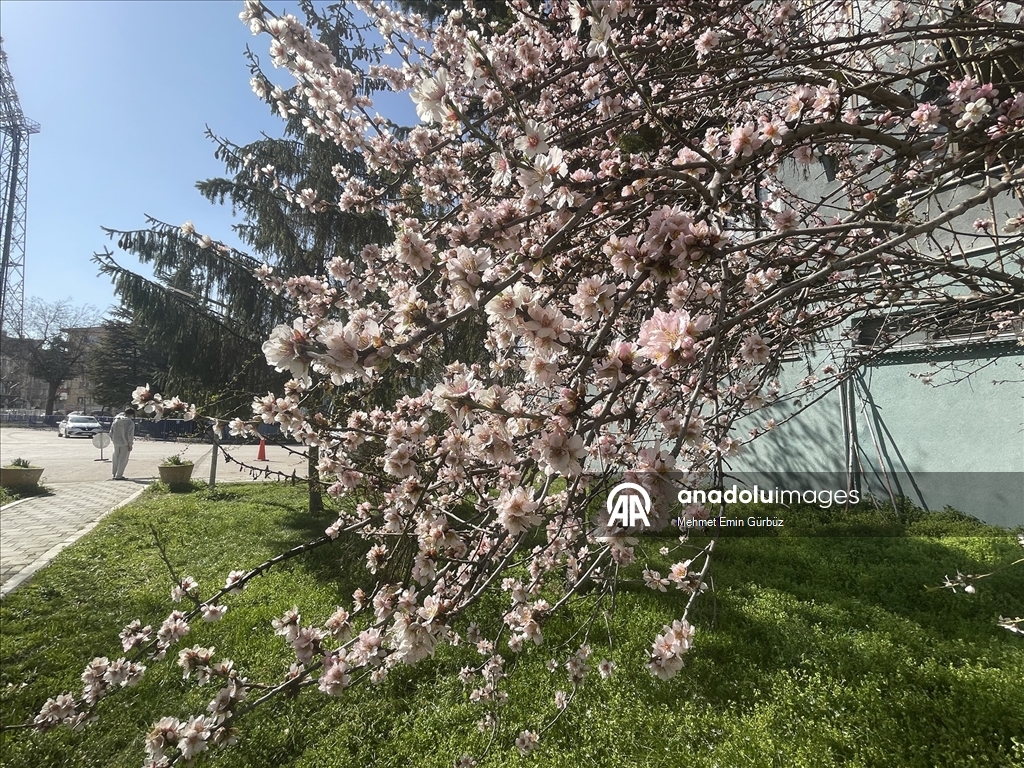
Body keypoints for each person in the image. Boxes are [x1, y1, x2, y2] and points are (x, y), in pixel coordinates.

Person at [109, 407, 136, 480]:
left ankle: (114, 473)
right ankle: (119, 475)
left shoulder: (116, 420)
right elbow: (130, 434)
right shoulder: (130, 422)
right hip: (125, 443)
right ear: (132, 414)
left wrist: (113, 439)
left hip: (116, 442)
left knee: (115, 457)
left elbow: (111, 431)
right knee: (123, 459)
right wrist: (130, 444)